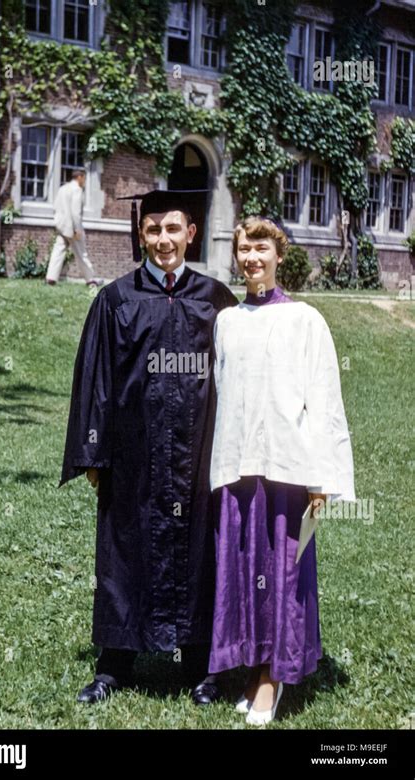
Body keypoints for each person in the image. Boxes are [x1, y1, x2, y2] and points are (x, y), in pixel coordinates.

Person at [60, 189, 238, 705]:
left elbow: (238, 377)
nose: (164, 240)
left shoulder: (215, 298)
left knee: (200, 552)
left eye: (173, 229)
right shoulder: (116, 299)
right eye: (154, 230)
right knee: (124, 551)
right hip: (135, 453)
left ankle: (200, 666)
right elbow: (94, 379)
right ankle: (115, 663)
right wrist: (94, 452)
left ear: (191, 233)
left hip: (198, 453)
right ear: (142, 235)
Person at [208, 216, 355, 726]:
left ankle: (275, 678)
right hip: (239, 467)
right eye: (245, 249)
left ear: (279, 254)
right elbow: (223, 397)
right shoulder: (228, 321)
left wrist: (322, 479)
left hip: (287, 471)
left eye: (262, 249)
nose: (252, 258)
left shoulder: (305, 321)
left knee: (282, 573)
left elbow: (324, 401)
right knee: (246, 573)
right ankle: (252, 667)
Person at [46, 169, 102, 286]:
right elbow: (76, 213)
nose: (84, 182)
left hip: (61, 226)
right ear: (80, 177)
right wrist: (77, 229)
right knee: (81, 253)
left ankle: (51, 278)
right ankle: (90, 279)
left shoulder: (63, 188)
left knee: (58, 251)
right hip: (72, 228)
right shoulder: (77, 190)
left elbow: (56, 207)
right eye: (84, 179)